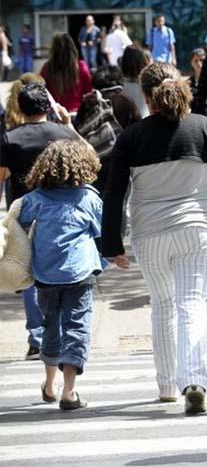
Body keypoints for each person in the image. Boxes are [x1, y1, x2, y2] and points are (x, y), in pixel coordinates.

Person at [101, 62, 207, 414]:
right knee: (191, 304)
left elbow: (114, 193)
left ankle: (167, 385)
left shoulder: (131, 137)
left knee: (163, 305)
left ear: (146, 96)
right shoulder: (206, 129)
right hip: (197, 231)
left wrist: (111, 244)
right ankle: (194, 381)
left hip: (149, 234)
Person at [19, 140, 106, 410]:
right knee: (77, 327)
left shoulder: (35, 199)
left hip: (45, 274)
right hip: (80, 273)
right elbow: (101, 230)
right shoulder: (89, 197)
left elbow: (18, 227)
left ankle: (49, 384)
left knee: (50, 325)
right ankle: (69, 391)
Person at [0, 83, 76, 361]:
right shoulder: (62, 134)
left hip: (24, 212)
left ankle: (37, 336)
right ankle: (61, 332)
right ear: (48, 107)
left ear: (20, 108)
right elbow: (87, 163)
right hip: (60, 211)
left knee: (27, 274)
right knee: (58, 271)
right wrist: (67, 123)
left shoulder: (9, 138)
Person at [74, 65, 142, 190]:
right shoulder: (125, 101)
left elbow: (77, 131)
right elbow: (138, 130)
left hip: (94, 162)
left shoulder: (87, 102)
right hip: (120, 162)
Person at [41, 33, 93, 113]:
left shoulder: (47, 69)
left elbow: (41, 93)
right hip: (78, 115)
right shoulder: (81, 66)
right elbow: (89, 93)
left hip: (55, 116)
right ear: (72, 48)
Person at [119, 46, 150, 118]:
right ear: (143, 61)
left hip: (126, 125)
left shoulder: (119, 86)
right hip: (146, 121)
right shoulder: (148, 84)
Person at [188, 48, 206, 112]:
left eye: (202, 60)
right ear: (191, 63)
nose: (199, 64)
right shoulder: (188, 83)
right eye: (196, 61)